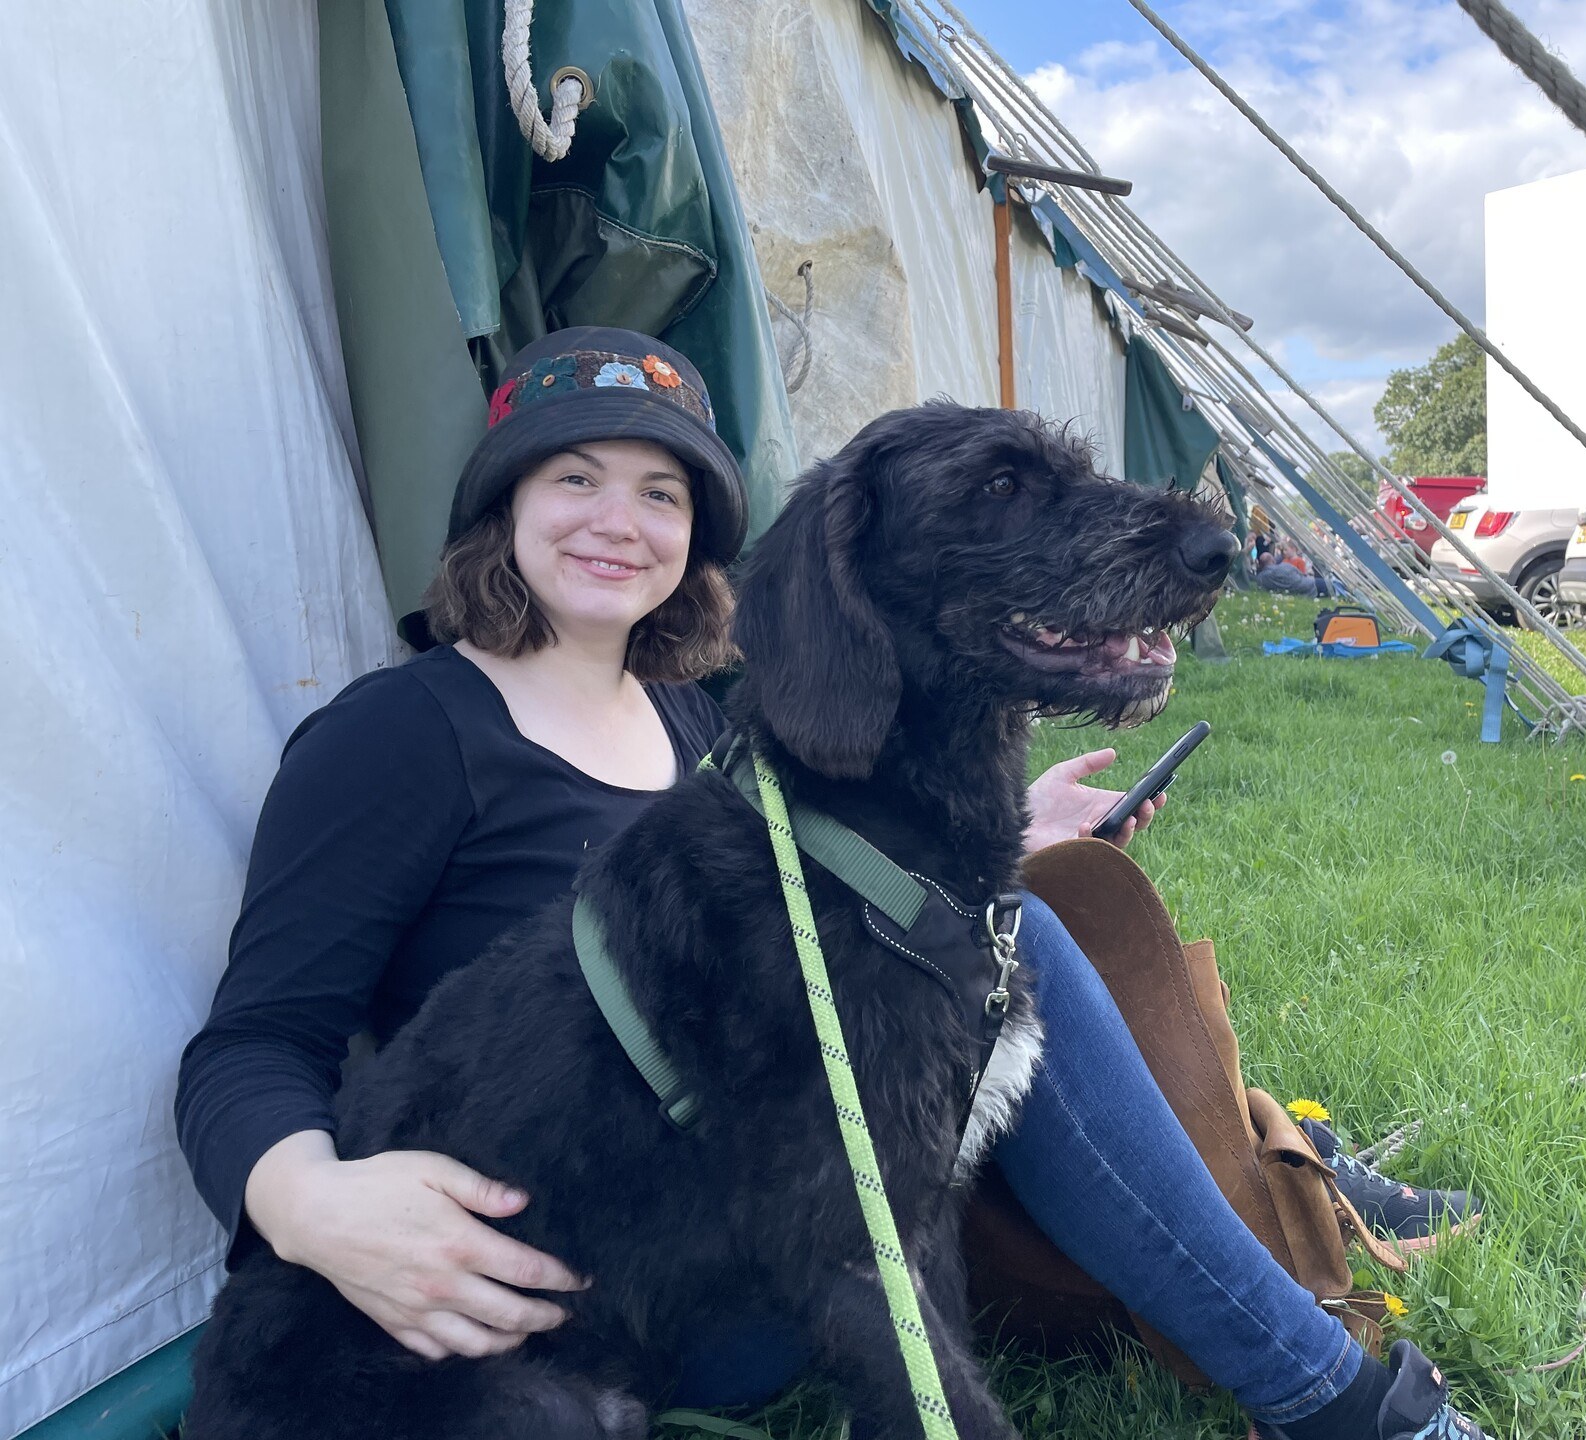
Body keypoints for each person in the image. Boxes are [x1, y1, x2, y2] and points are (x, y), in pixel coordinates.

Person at [175, 328, 1488, 1440]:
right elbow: (250, 1043)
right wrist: (319, 1206)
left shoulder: (699, 721)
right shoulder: (399, 733)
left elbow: (811, 943)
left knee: (1018, 921)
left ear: (700, 540)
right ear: (501, 508)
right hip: (510, 1303)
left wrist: (1008, 829)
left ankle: (1288, 1201)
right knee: (1004, 945)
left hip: (746, 1242)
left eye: (662, 492)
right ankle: (1328, 1379)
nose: (618, 521)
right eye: (574, 476)